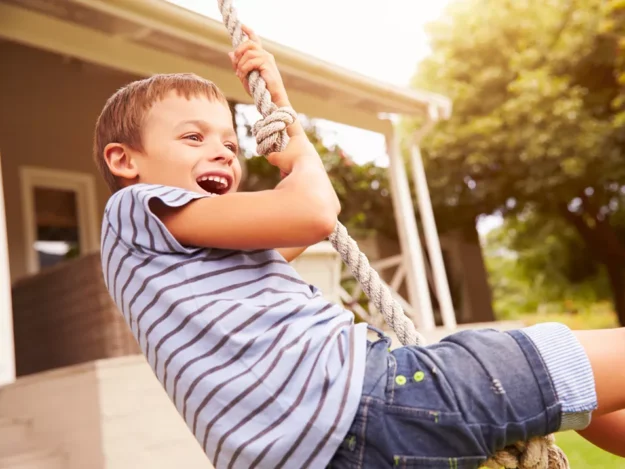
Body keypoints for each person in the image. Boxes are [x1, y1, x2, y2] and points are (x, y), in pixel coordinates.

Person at [94, 25, 625, 469]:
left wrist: (279, 108)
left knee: (584, 395)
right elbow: (316, 211)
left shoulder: (193, 269)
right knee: (570, 355)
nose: (224, 155)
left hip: (323, 450)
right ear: (124, 161)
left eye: (230, 143)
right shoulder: (134, 207)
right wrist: (297, 144)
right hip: (361, 405)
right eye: (193, 138)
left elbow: (299, 223)